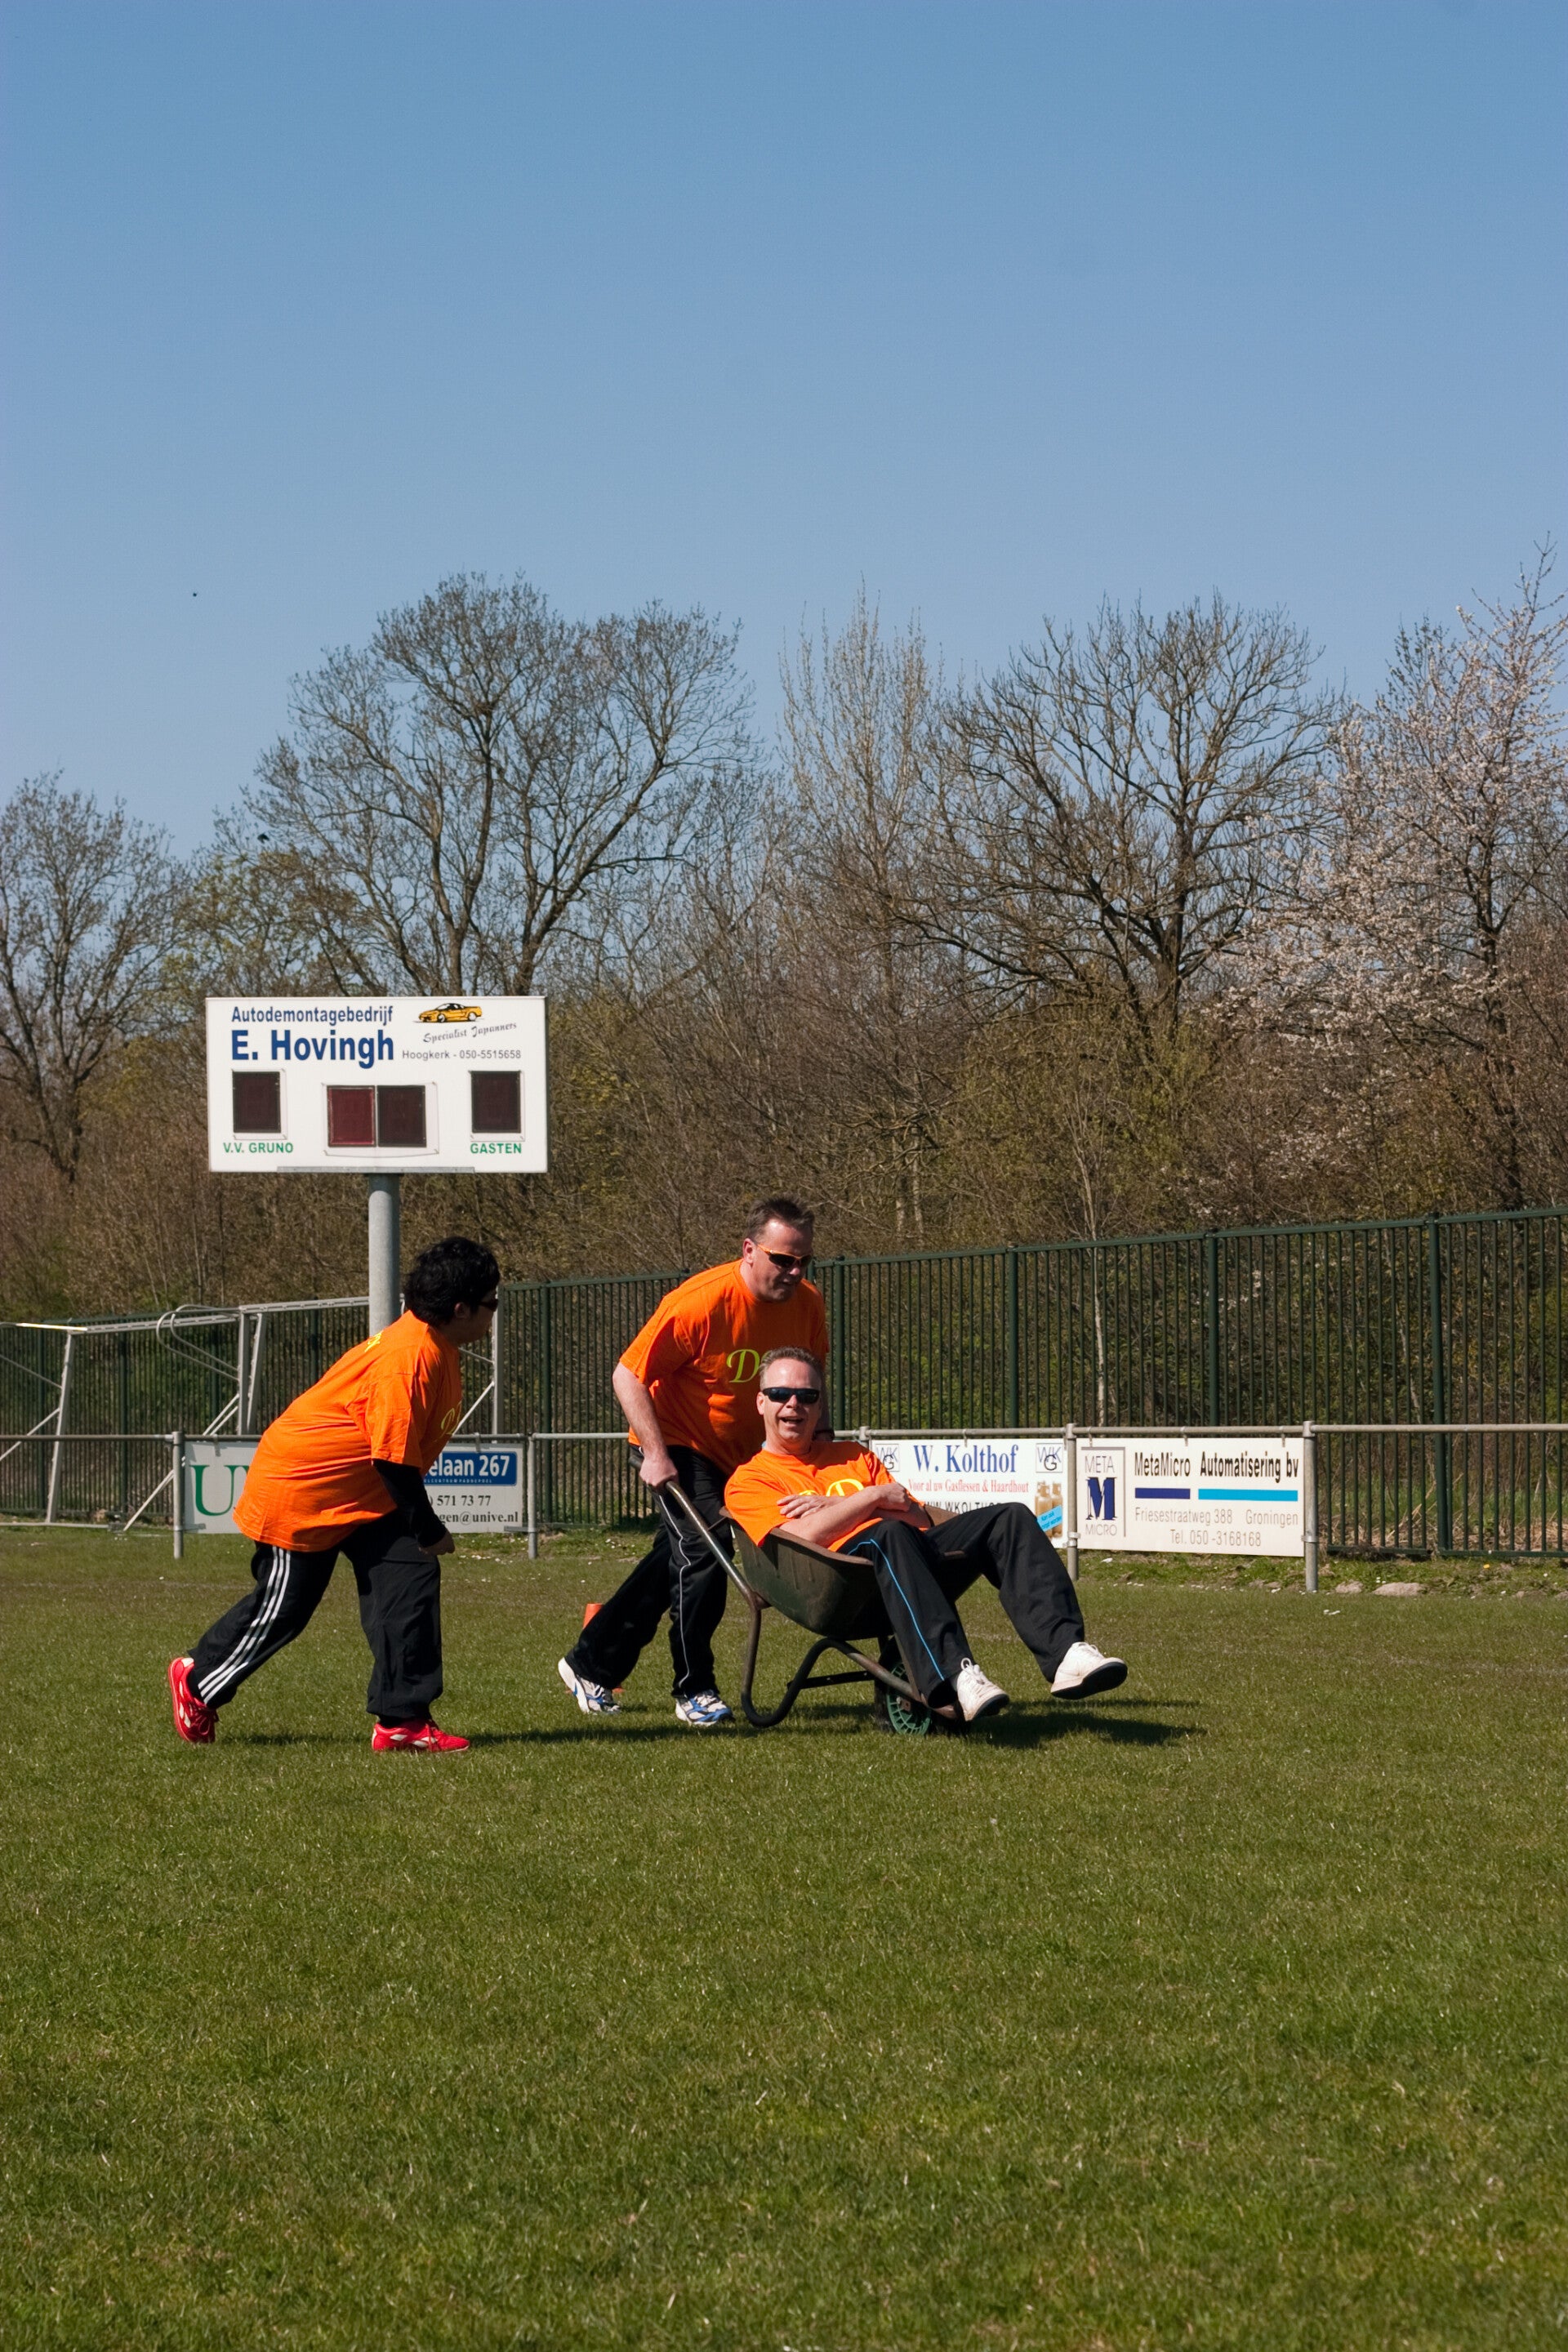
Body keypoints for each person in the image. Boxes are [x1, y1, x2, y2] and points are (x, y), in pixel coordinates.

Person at [167, 1236, 500, 1753]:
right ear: (460, 1309)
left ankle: (403, 1721)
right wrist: (430, 1529)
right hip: (303, 1490)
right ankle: (199, 1682)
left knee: (409, 1583)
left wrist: (419, 1537)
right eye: (491, 1302)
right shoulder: (408, 1358)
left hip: (366, 1494)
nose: (494, 1313)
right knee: (285, 1610)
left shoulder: (437, 1346)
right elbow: (394, 1463)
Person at [724, 1348, 1129, 1724]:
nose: (793, 1404)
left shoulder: (853, 1455)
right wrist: (873, 1498)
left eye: (807, 1395)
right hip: (841, 1579)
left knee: (1010, 1518)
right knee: (888, 1531)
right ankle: (958, 1674)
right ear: (761, 1402)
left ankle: (1066, 1653)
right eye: (780, 1394)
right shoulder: (751, 1479)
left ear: (819, 1405)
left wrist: (839, 1506)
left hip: (908, 1553)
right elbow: (804, 1536)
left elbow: (917, 1516)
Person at [557, 1196, 828, 1727]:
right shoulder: (700, 1302)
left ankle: (591, 1663)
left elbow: (811, 1378)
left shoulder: (809, 1304)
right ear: (749, 1250)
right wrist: (656, 1455)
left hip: (742, 1457)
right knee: (704, 1554)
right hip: (676, 1444)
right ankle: (695, 1689)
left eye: (804, 1261)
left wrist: (821, 1438)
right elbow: (628, 1374)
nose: (795, 1272)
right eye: (782, 1260)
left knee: (675, 1557)